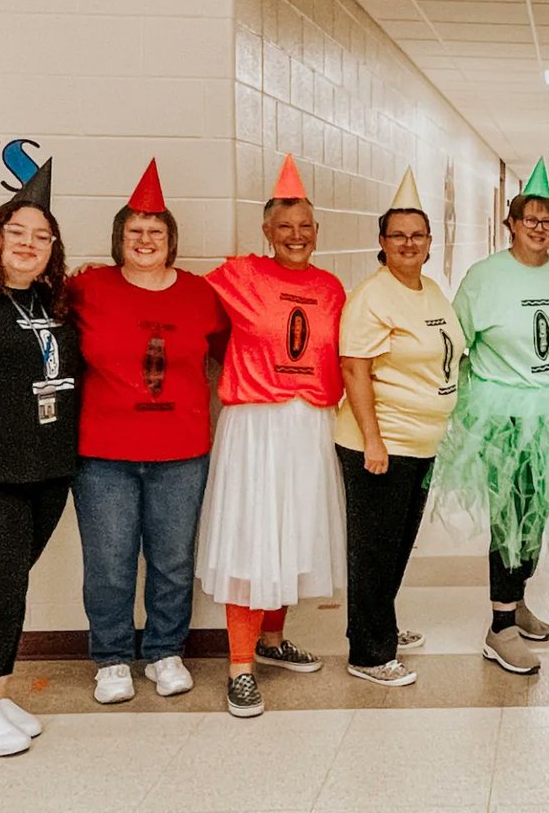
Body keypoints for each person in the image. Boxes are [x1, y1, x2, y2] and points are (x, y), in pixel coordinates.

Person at [430, 159, 549, 675]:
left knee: (536, 513)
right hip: (503, 413)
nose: (539, 228)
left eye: (547, 220)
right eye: (529, 219)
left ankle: (516, 602)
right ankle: (499, 627)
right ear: (511, 224)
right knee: (508, 515)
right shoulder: (483, 277)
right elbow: (456, 341)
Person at [70, 160, 227, 705]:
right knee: (109, 560)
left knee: (173, 558)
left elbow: (234, 353)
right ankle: (111, 658)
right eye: (134, 231)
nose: (144, 240)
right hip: (103, 453)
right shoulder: (86, 287)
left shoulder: (200, 294)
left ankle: (165, 651)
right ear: (119, 238)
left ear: (171, 240)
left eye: (155, 232)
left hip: (181, 450)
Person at [195, 155, 346, 718]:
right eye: (285, 226)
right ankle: (240, 667)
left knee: (293, 532)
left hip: (308, 424)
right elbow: (192, 315)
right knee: (251, 536)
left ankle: (272, 640)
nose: (296, 236)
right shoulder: (240, 275)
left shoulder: (331, 288)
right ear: (266, 231)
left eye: (305, 226)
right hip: (255, 423)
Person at [334, 169, 465, 688]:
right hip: (381, 443)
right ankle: (368, 653)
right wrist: (372, 438)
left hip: (421, 442)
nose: (409, 243)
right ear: (381, 243)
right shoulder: (372, 295)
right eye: (398, 235)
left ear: (431, 243)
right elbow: (354, 369)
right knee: (373, 548)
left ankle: (380, 626)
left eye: (418, 235)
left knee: (398, 543)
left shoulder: (431, 290)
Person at [0, 161, 80, 757]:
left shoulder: (48, 303)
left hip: (47, 469)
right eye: (17, 233)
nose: (29, 245)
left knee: (10, 586)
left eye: (41, 237)